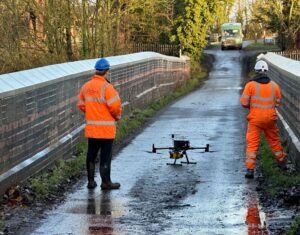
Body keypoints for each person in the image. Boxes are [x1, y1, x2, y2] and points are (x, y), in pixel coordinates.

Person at [77, 58, 122, 189]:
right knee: (105, 157)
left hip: (92, 129)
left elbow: (81, 104)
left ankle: (91, 182)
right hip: (106, 130)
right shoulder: (107, 88)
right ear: (107, 71)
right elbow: (115, 107)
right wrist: (117, 117)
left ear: (96, 71)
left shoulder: (86, 86)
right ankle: (106, 182)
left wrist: (91, 112)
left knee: (91, 154)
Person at [240, 60, 287, 179]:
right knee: (274, 141)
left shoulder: (250, 85)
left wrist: (253, 106)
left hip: (255, 120)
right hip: (270, 119)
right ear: (267, 71)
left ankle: (250, 170)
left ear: (256, 71)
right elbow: (277, 103)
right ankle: (282, 163)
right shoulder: (274, 86)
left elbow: (244, 103)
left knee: (252, 144)